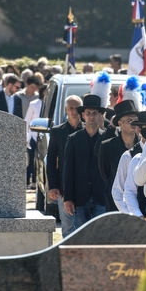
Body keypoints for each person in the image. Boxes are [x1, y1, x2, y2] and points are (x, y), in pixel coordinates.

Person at [62, 94, 107, 227]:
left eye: (95, 113)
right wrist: (68, 198)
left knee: (101, 236)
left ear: (100, 116)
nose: (91, 116)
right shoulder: (73, 139)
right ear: (83, 115)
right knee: (81, 238)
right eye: (88, 113)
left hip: (101, 196)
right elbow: (68, 170)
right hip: (80, 196)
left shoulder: (107, 139)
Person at [47, 95, 83, 237]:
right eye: (71, 108)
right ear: (66, 110)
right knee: (67, 227)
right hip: (63, 186)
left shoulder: (88, 130)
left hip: (84, 186)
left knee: (82, 227)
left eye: (77, 108)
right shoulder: (58, 131)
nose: (74, 111)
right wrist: (53, 185)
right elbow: (51, 160)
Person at [97, 99, 140, 211]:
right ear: (120, 123)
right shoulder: (107, 146)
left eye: (136, 120)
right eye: (130, 120)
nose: (134, 124)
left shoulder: (143, 146)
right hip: (114, 202)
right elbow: (105, 174)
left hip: (138, 202)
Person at [24, 84, 47, 189]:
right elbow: (27, 120)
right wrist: (26, 137)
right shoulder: (34, 104)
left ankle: (38, 181)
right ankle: (31, 181)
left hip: (45, 136)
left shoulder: (51, 104)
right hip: (34, 136)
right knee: (33, 159)